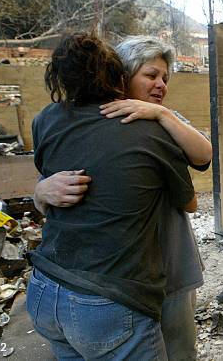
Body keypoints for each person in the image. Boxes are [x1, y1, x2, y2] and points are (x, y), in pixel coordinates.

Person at [34, 36, 211, 360]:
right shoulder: (91, 124)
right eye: (151, 75)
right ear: (122, 76)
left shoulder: (160, 123)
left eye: (165, 79)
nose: (161, 85)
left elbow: (202, 158)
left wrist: (163, 115)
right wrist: (40, 191)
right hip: (122, 278)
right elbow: (54, 178)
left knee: (180, 348)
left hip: (170, 263)